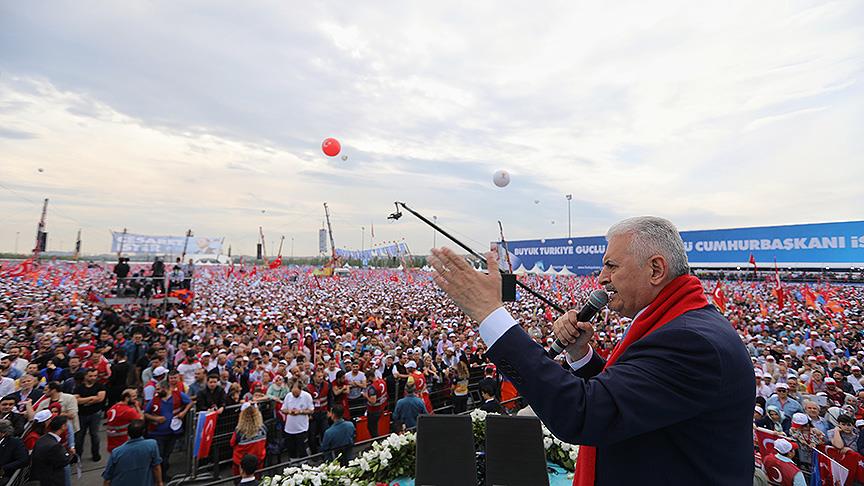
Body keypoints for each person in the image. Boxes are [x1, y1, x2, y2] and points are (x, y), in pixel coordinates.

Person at [428, 216, 755, 485]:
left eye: (611, 266)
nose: (601, 278)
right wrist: (581, 355)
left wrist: (489, 313)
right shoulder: (680, 323)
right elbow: (630, 400)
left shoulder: (690, 342)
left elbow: (584, 413)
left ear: (656, 270)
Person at [143, 381, 191, 481]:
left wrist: (184, 412)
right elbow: (146, 413)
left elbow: (190, 402)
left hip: (172, 432)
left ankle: (163, 474)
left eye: (158, 389)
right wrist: (155, 418)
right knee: (159, 455)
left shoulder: (178, 395)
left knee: (167, 454)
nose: (156, 392)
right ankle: (159, 477)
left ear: (165, 388)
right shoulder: (155, 400)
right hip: (157, 433)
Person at [101, 420, 162, 486]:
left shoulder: (117, 452)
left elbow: (108, 477)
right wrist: (159, 482)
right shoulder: (152, 445)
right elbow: (156, 467)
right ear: (143, 432)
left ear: (127, 433)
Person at [30, 416, 75, 486]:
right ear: (63, 426)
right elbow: (65, 461)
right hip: (52, 480)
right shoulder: (55, 446)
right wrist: (71, 454)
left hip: (41, 477)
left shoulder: (41, 439)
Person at [73, 368, 105, 461]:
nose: (93, 378)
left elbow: (100, 398)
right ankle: (78, 455)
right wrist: (92, 398)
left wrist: (84, 400)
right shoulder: (78, 387)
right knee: (79, 436)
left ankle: (95, 454)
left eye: (95, 376)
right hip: (82, 415)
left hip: (95, 414)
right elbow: (76, 400)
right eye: (90, 376)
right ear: (85, 376)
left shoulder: (100, 386)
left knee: (94, 435)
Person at [229, 403, 267, 477]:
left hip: (241, 464)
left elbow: (232, 443)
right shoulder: (263, 428)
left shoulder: (239, 431)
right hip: (258, 461)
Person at [280, 378, 313, 459]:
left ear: (300, 389)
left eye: (296, 393)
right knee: (291, 450)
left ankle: (305, 463)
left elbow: (311, 410)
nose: (294, 394)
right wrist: (289, 411)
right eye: (293, 393)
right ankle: (293, 463)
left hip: (302, 429)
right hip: (289, 429)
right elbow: (283, 409)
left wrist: (300, 411)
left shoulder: (307, 396)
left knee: (302, 450)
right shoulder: (288, 396)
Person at [106, 389, 143, 454]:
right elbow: (141, 420)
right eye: (133, 396)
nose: (136, 398)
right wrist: (137, 407)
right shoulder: (128, 411)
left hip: (112, 444)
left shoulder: (113, 408)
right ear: (126, 398)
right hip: (123, 445)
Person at [0, 419, 28, 485]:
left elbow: (24, 460)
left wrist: (3, 469)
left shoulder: (15, 443)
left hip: (5, 476)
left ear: (3, 433)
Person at [362, 369, 387, 439]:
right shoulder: (382, 381)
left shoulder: (373, 388)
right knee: (374, 426)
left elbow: (373, 401)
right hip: (381, 407)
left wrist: (366, 395)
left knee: (372, 428)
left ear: (370, 377)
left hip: (374, 410)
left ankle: (376, 441)